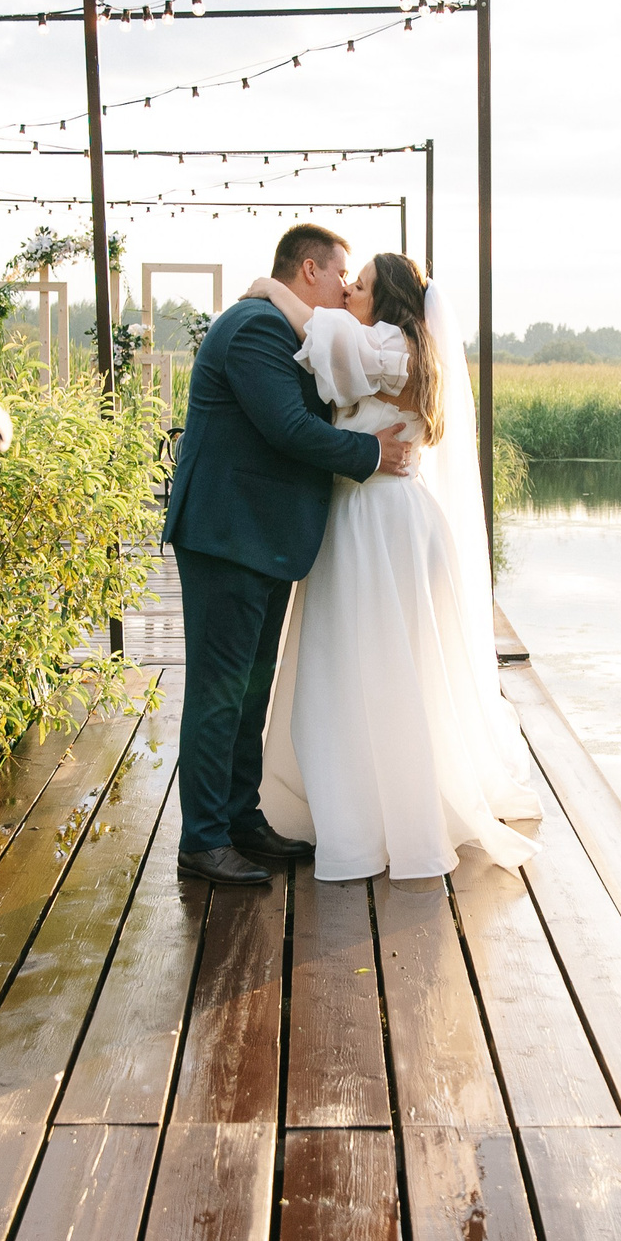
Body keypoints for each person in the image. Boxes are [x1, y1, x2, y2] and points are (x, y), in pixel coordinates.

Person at [242, 255, 542, 884]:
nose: (349, 291)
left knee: (380, 666)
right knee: (354, 665)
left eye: (363, 286)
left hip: (379, 523)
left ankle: (381, 821)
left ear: (391, 304)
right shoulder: (393, 345)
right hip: (370, 516)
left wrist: (273, 289)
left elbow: (318, 334)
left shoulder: (390, 347)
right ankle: (358, 807)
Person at [161, 224, 417, 886]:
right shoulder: (254, 330)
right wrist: (371, 453)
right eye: (342, 275)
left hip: (262, 539)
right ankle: (203, 839)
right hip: (227, 536)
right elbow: (287, 427)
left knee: (250, 690)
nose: (346, 286)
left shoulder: (287, 328)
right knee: (219, 693)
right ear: (310, 271)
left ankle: (241, 816)